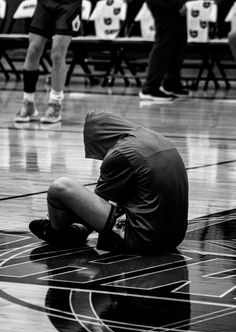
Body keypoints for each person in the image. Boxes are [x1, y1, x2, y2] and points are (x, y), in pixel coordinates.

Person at [29, 110, 189, 253]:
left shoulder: (120, 152)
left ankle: (59, 234)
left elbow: (93, 209)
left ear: (99, 140)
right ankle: (71, 231)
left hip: (143, 239)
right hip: (174, 237)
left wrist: (62, 217)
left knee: (60, 187)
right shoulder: (156, 138)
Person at [15, 0, 82, 124]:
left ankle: (55, 104)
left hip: (69, 4)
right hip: (45, 3)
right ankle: (28, 102)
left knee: (57, 54)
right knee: (33, 50)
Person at [139, 0, 189, 102]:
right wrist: (178, 4)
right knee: (164, 44)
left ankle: (171, 83)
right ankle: (150, 87)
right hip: (163, 3)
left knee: (178, 43)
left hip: (172, 5)